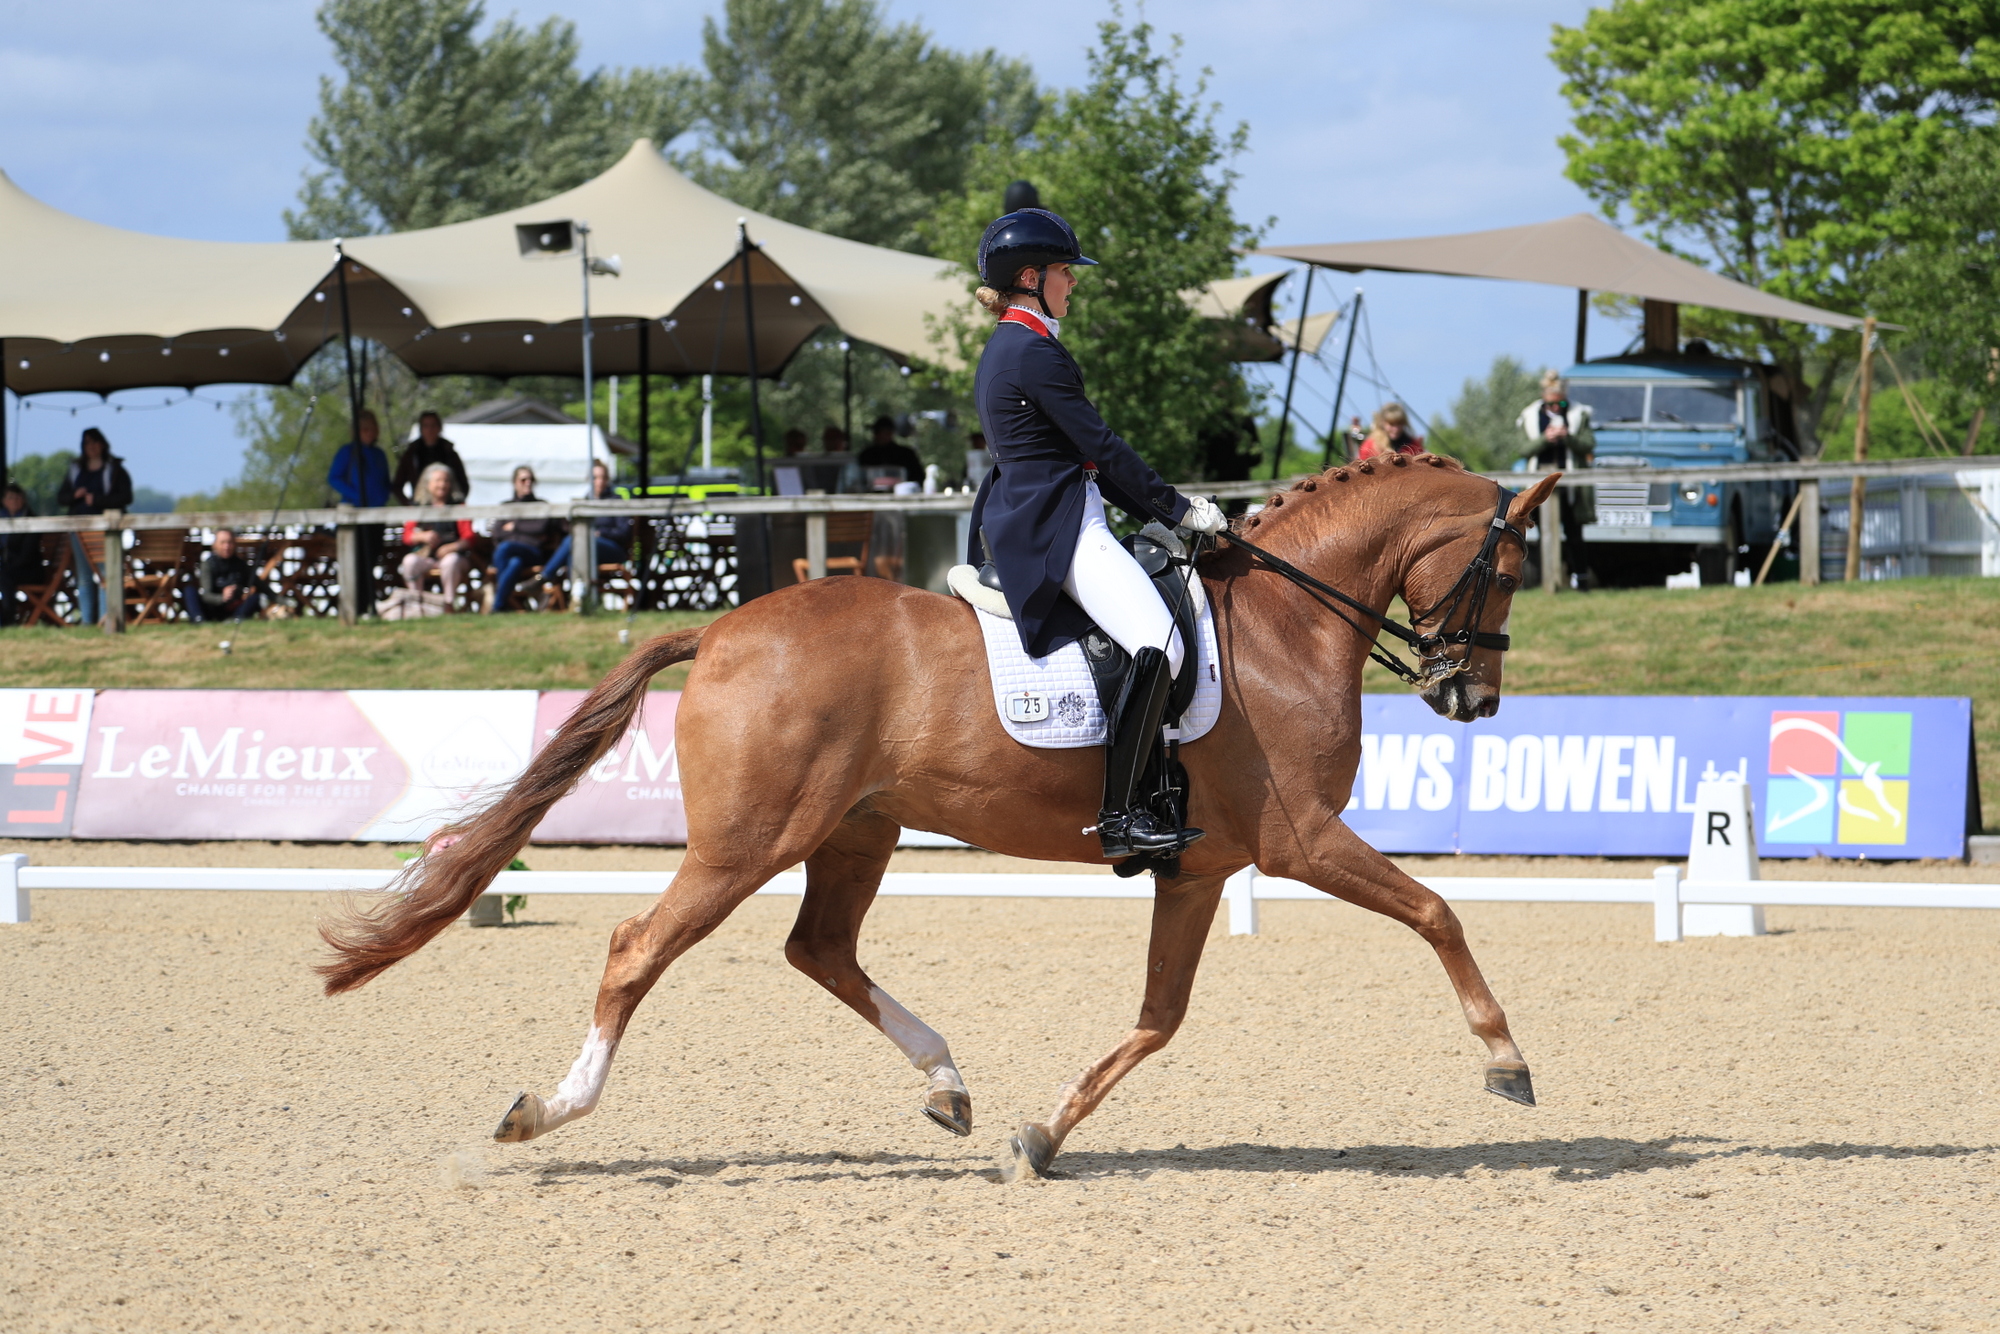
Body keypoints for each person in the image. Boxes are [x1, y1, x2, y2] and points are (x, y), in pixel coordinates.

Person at [967, 206, 1227, 860]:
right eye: (1063, 272)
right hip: (1056, 526)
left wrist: (1155, 512)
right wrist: (1177, 508)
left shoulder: (1014, 344)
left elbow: (1084, 461)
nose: (1073, 283)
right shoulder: (1033, 351)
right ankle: (1121, 817)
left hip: (1053, 508)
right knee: (1159, 644)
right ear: (1030, 278)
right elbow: (1102, 448)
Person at [1516, 369, 1596, 584]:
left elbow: (1588, 445)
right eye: (1549, 404)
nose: (1554, 408)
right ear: (1543, 398)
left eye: (1559, 404)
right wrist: (1545, 439)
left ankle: (1581, 578)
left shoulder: (1579, 414)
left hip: (1570, 484)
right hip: (1540, 483)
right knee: (1545, 535)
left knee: (1574, 534)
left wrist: (1567, 437)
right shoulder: (1530, 415)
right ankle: (1548, 580)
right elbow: (1523, 449)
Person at [60, 428, 134, 627]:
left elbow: (126, 497)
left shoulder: (115, 469)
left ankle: (106, 619)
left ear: (102, 444)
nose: (90, 447)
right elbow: (61, 497)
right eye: (87, 443)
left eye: (94, 442)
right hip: (79, 529)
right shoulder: (76, 469)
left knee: (106, 574)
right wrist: (75, 495)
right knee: (83, 576)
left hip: (105, 529)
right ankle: (87, 621)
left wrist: (99, 500)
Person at [327, 410, 393, 610]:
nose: (369, 432)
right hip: (354, 514)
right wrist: (357, 496)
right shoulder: (348, 452)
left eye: (372, 428)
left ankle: (367, 602)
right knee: (355, 561)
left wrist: (382, 497)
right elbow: (334, 478)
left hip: (376, 515)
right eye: (364, 429)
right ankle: (353, 604)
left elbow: (385, 483)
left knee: (371, 560)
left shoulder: (379, 454)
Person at [539, 459, 633, 593]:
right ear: (589, 479)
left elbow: (624, 532)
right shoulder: (584, 502)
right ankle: (578, 597)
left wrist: (601, 533)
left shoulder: (616, 501)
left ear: (608, 479)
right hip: (587, 548)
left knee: (574, 542)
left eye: (603, 477)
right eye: (595, 478)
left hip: (613, 550)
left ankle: (546, 576)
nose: (599, 482)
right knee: (575, 550)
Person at [398, 463, 476, 606]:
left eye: (446, 481)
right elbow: (407, 536)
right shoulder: (418, 507)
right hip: (426, 557)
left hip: (454, 558)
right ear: (427, 484)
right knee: (409, 561)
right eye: (438, 481)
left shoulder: (458, 506)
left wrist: (451, 547)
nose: (442, 485)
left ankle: (448, 604)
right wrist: (423, 536)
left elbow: (469, 537)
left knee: (450, 561)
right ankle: (417, 604)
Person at [485, 465, 555, 613]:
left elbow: (539, 528)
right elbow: (496, 533)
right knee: (514, 563)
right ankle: (500, 606)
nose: (527, 483)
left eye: (530, 479)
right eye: (523, 480)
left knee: (505, 547)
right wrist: (525, 527)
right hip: (512, 556)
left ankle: (499, 600)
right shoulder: (506, 506)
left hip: (534, 553)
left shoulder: (541, 505)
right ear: (515, 483)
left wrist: (515, 526)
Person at [183, 528, 263, 622]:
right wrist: (222, 598)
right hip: (212, 607)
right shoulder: (208, 564)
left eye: (230, 542)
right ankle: (199, 619)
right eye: (223, 543)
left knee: (255, 597)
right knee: (189, 590)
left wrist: (282, 601)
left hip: (233, 607)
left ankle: (236, 620)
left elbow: (262, 586)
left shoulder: (240, 564)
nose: (227, 546)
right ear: (215, 545)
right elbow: (207, 595)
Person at [392, 411, 470, 503]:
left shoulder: (449, 452)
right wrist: (409, 504)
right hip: (420, 507)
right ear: (421, 429)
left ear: (439, 428)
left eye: (433, 425)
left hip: (448, 508)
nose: (430, 430)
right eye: (426, 426)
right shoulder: (411, 454)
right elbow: (397, 485)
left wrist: (455, 502)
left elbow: (463, 484)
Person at [1, 483, 47, 628]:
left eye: (18, 497)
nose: (14, 500)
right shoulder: (3, 519)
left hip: (30, 571)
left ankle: (8, 622)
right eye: (10, 497)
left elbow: (27, 556)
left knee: (4, 577)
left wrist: (6, 566)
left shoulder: (30, 520)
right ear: (3, 501)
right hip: (10, 569)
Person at [857, 414, 923, 484]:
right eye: (878, 432)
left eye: (886, 432)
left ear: (891, 433)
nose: (881, 436)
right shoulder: (866, 455)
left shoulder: (906, 454)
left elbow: (918, 477)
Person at [1355, 403, 1424, 461]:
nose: (1396, 429)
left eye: (1399, 424)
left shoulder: (1413, 446)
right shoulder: (1370, 447)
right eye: (1391, 424)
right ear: (1382, 423)